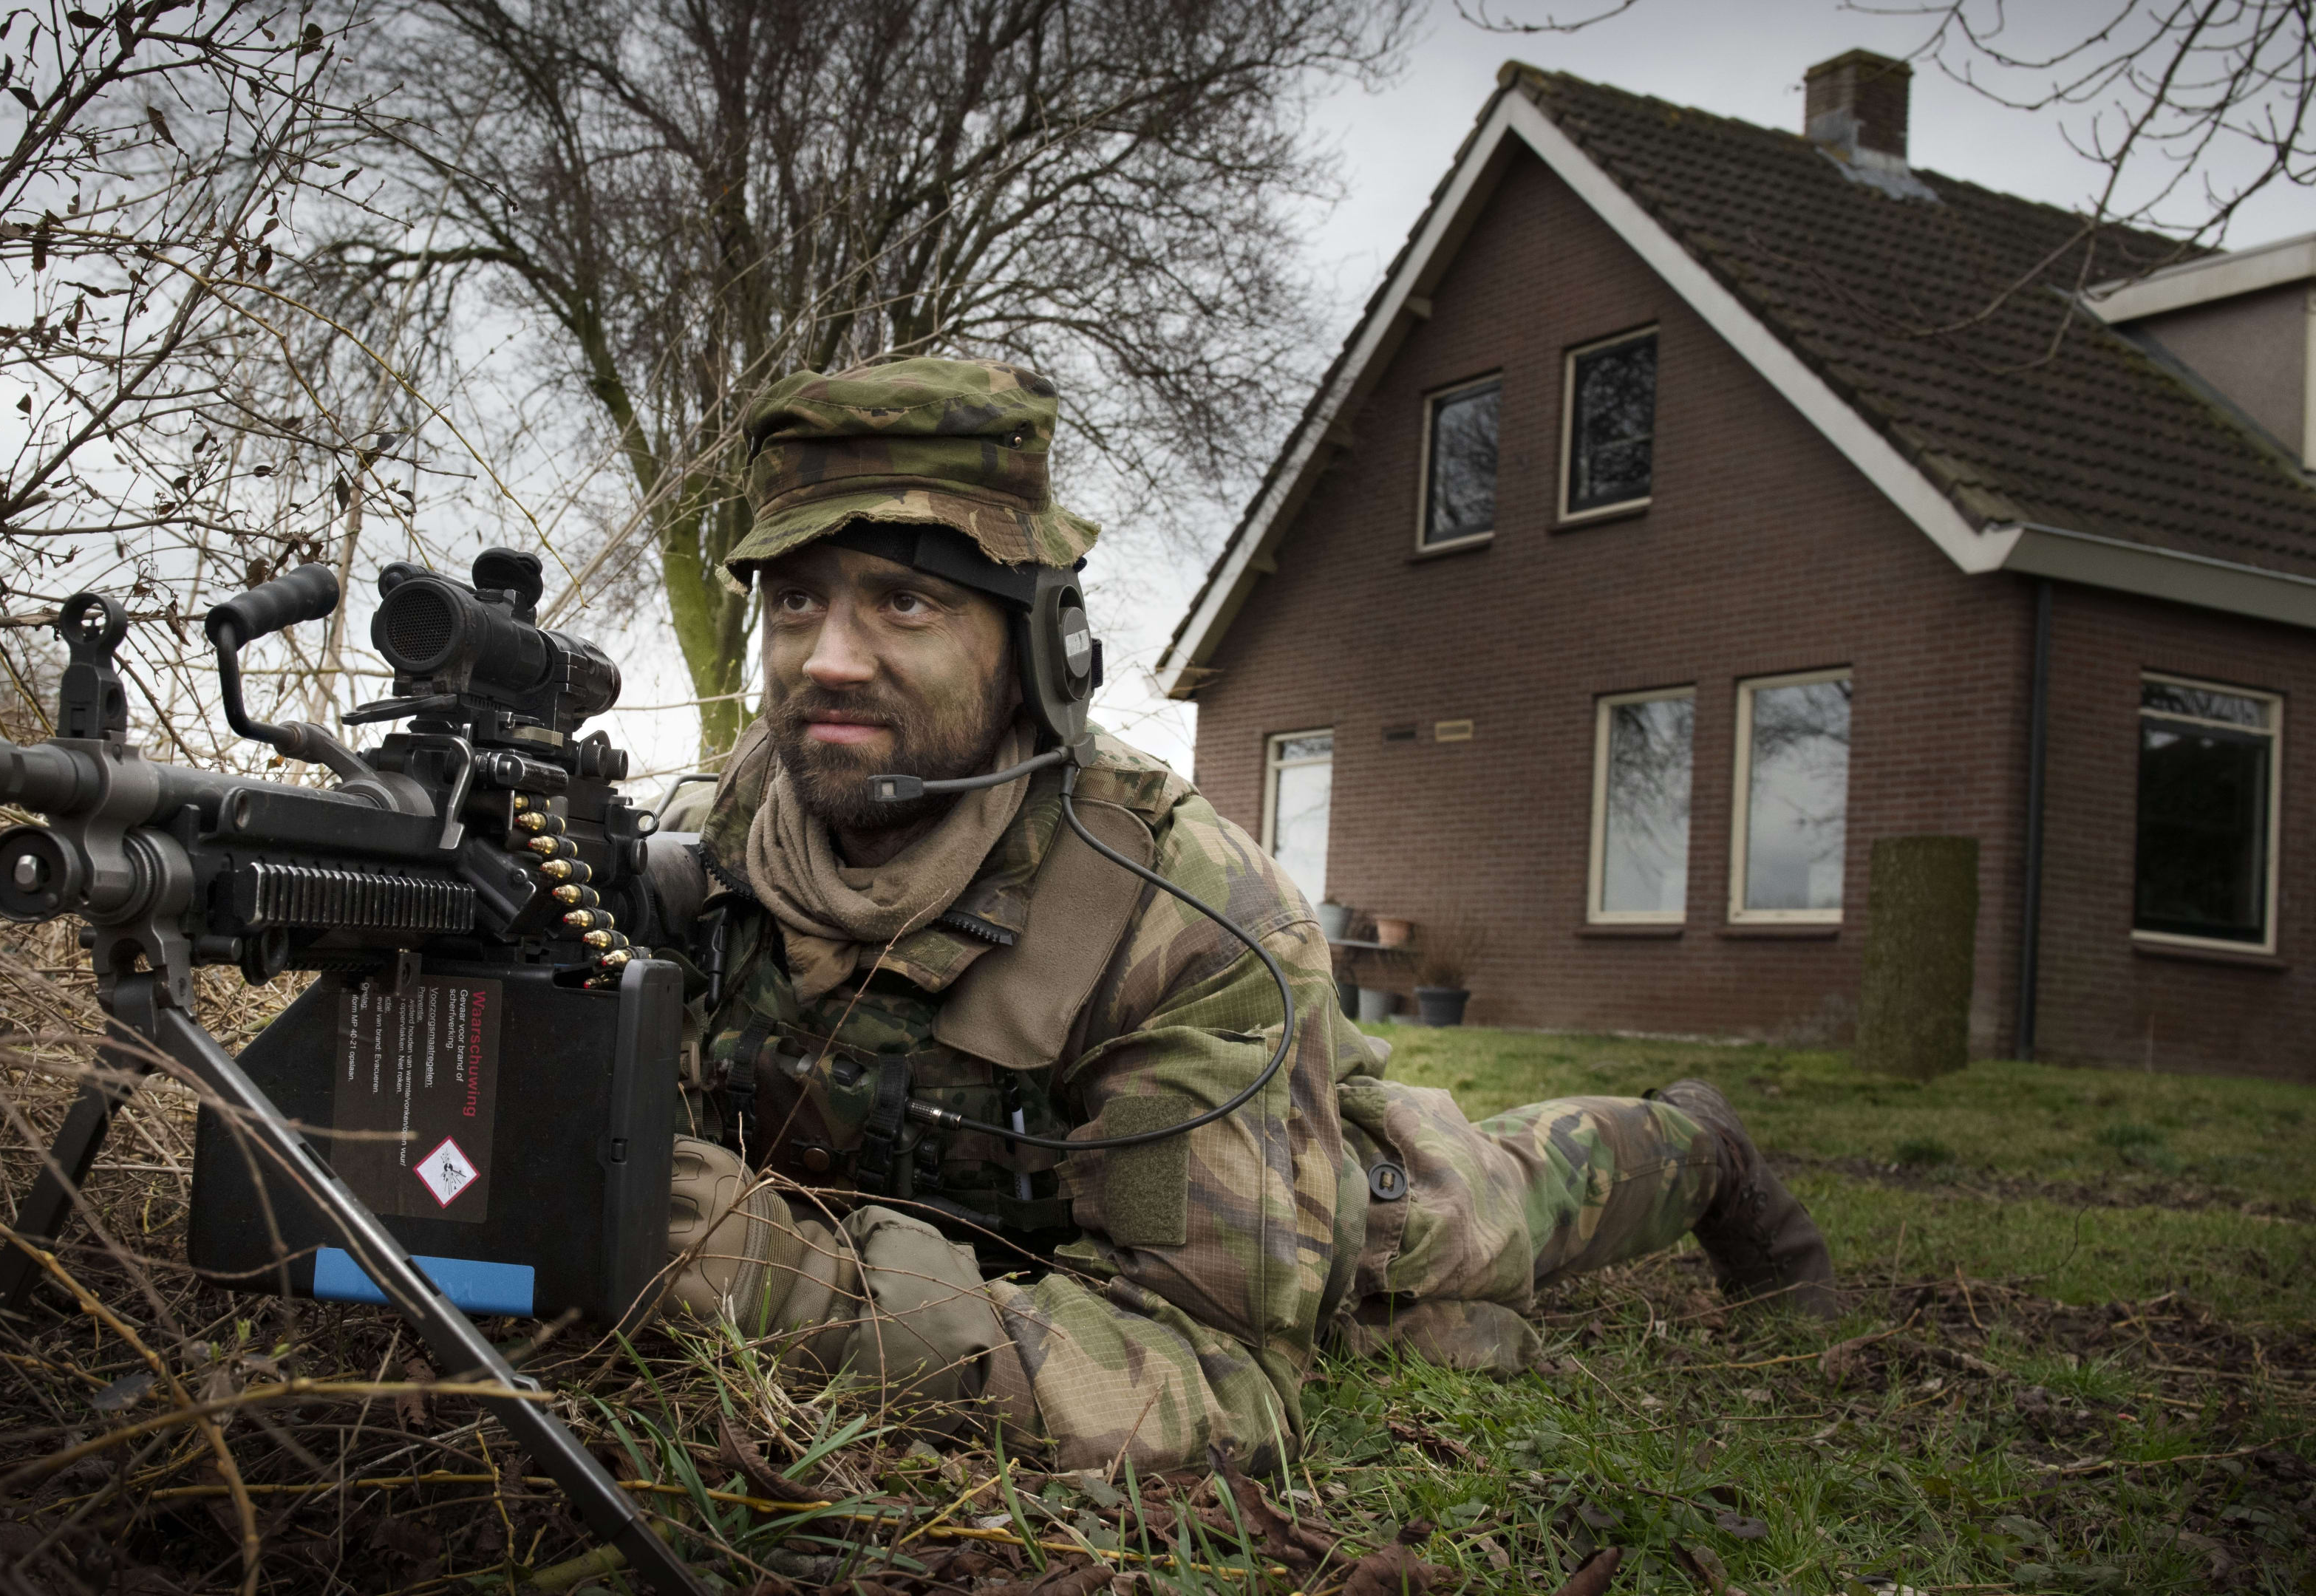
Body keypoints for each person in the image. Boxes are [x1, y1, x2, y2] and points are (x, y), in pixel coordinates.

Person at [645, 355, 1838, 1476]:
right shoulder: (736, 819)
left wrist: (791, 1286)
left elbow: (1214, 1378)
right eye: (797, 601)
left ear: (1041, 653)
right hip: (989, 1251)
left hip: (1359, 1215)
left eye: (904, 602)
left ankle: (1705, 1144)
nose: (830, 660)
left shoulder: (1184, 910)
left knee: (1526, 1191)